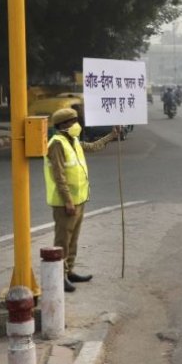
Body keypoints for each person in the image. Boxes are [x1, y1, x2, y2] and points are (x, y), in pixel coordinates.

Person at [44, 108, 120, 293]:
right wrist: (68, 201)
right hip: (65, 203)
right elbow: (59, 176)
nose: (76, 125)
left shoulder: (73, 141)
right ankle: (59, 276)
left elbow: (92, 147)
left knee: (73, 239)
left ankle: (69, 271)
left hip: (79, 200)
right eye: (72, 121)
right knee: (63, 240)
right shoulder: (57, 144)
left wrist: (111, 135)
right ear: (63, 125)